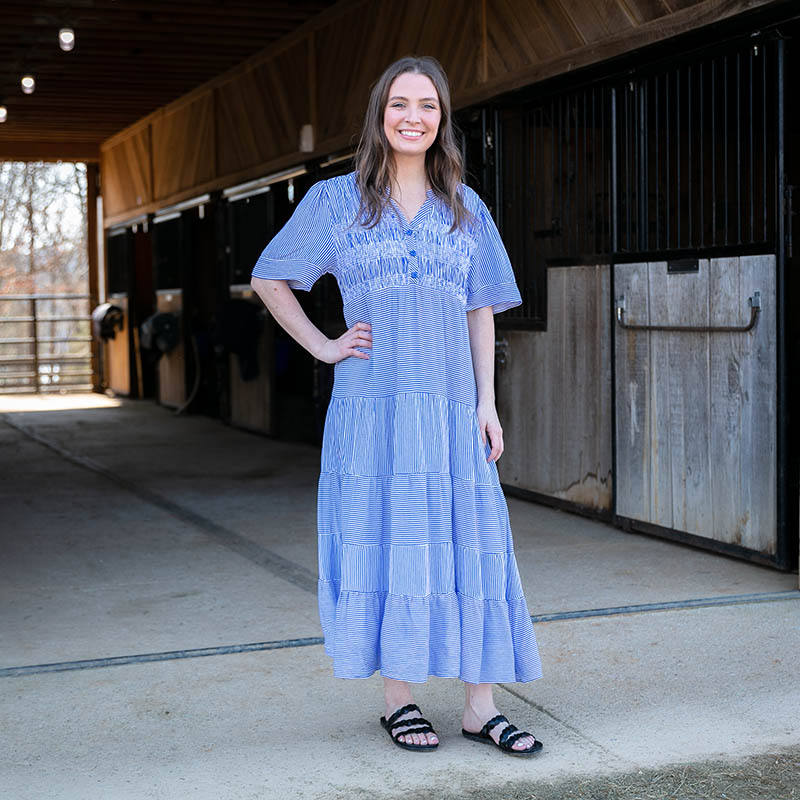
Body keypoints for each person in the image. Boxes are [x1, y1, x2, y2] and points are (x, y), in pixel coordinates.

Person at [250, 55, 543, 756]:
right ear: (380, 114)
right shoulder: (336, 201)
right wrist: (323, 346)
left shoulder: (467, 208)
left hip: (449, 410)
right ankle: (398, 699)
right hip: (371, 409)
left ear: (442, 120)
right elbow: (269, 276)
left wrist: (487, 404)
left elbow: (481, 310)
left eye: (429, 106)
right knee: (386, 537)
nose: (414, 117)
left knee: (474, 544)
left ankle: (480, 706)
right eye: (401, 104)